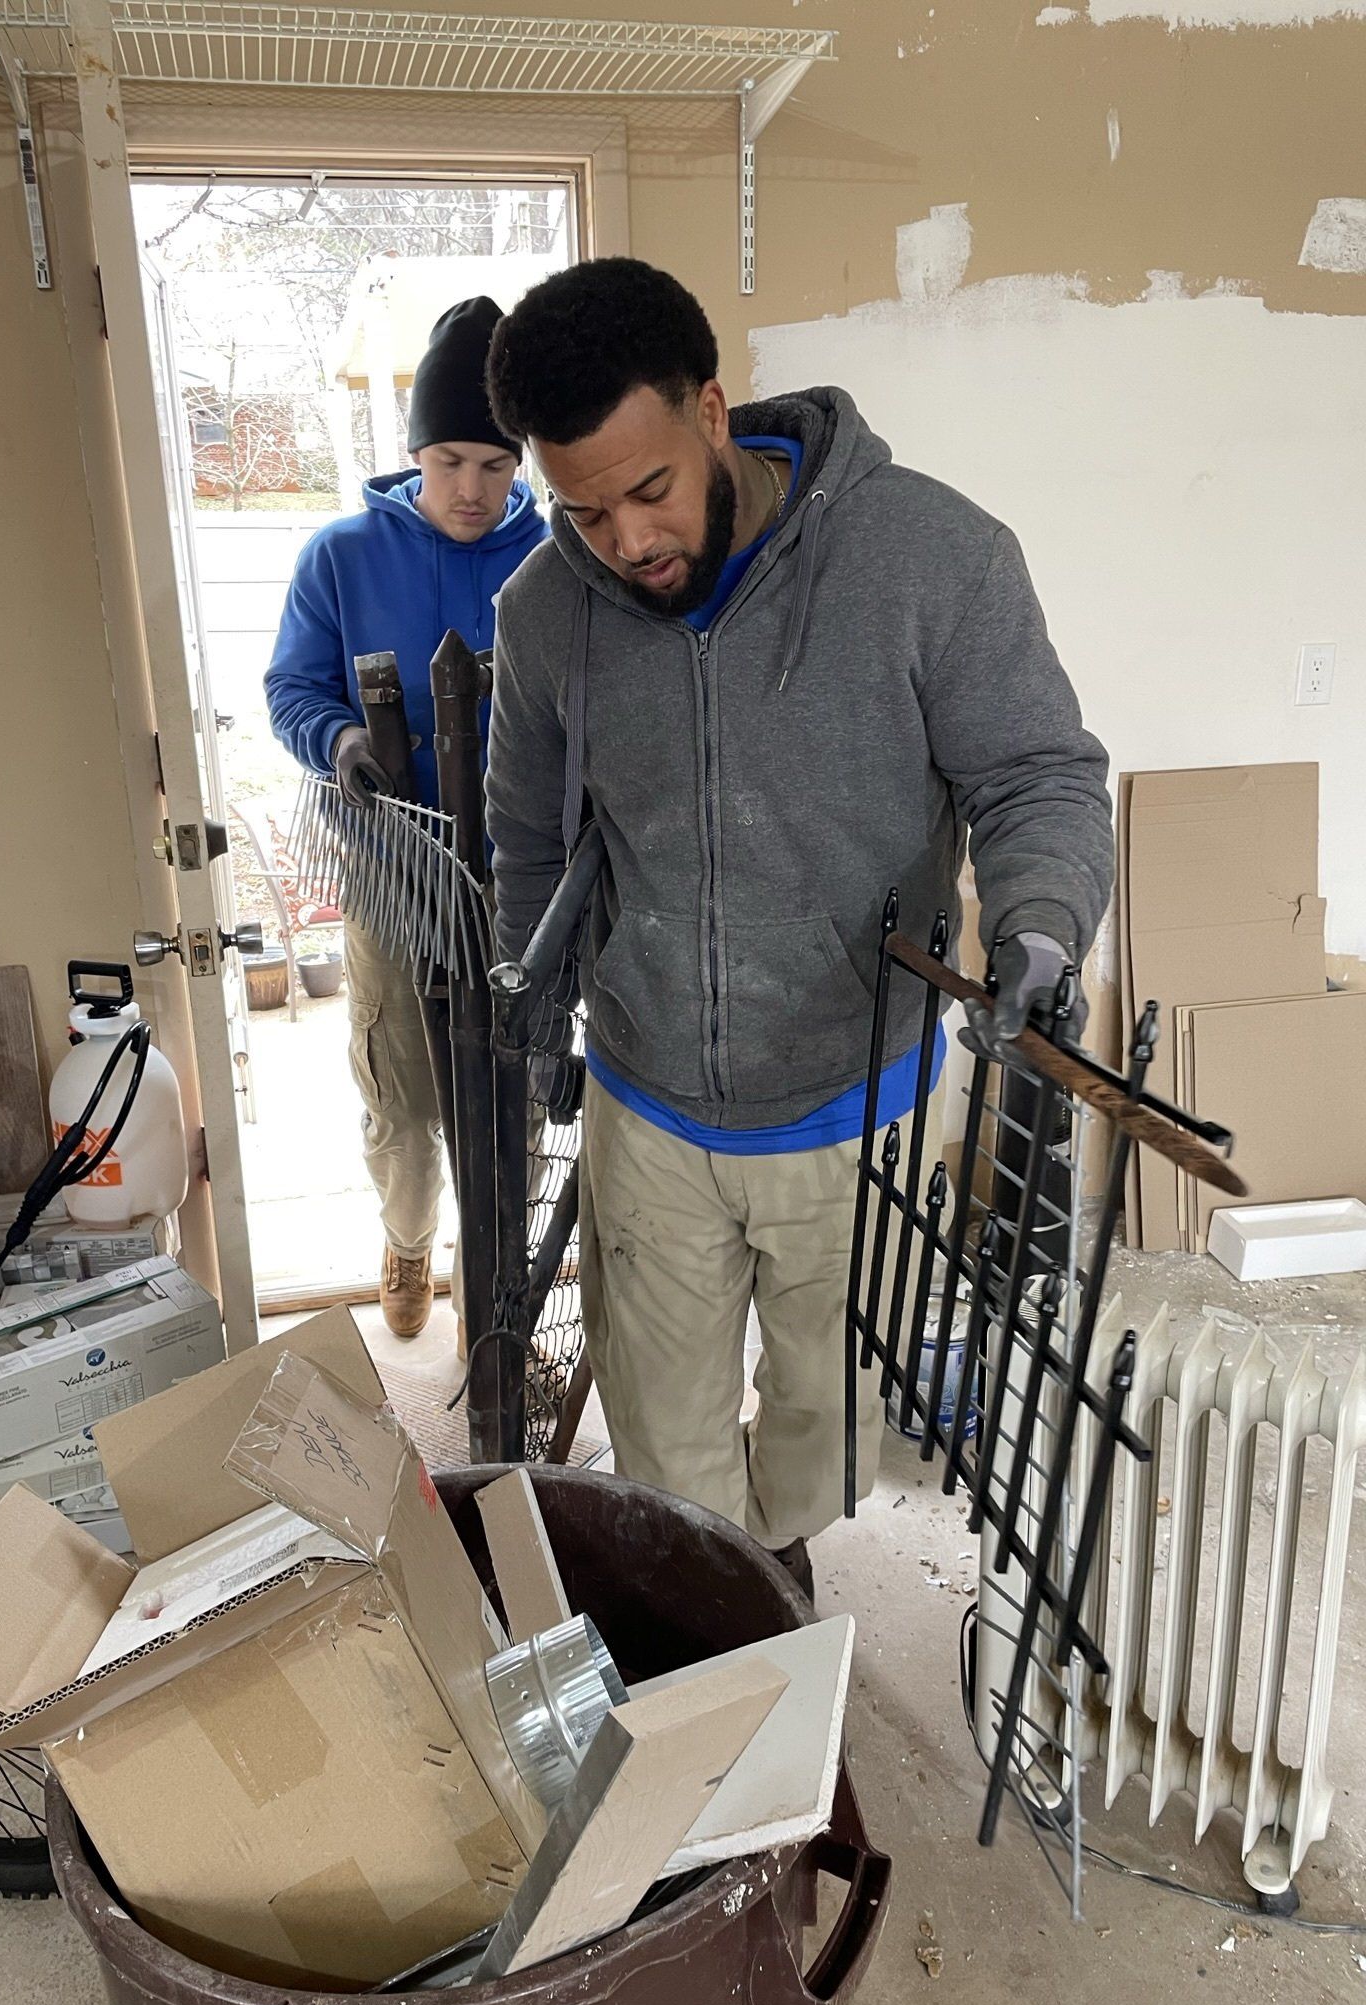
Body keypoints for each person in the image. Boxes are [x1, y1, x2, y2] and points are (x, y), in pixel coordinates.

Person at [482, 258, 1112, 1597]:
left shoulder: (929, 558)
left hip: (855, 1096)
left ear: (713, 411)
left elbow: (1034, 776)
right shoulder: (544, 614)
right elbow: (530, 829)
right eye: (582, 512)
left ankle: (777, 1554)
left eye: (649, 492)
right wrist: (537, 996)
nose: (628, 543)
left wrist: (1042, 930)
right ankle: (727, 1618)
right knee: (663, 1458)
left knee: (834, 1433)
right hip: (650, 1100)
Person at [265, 296, 546, 1340]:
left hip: (518, 882)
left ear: (518, 462)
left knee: (505, 1095)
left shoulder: (554, 561)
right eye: (449, 462)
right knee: (406, 1100)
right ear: (414, 453)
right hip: (392, 872)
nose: (471, 489)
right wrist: (343, 745)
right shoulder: (340, 557)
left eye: (493, 463)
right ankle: (409, 1236)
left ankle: (496, 1273)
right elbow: (293, 688)